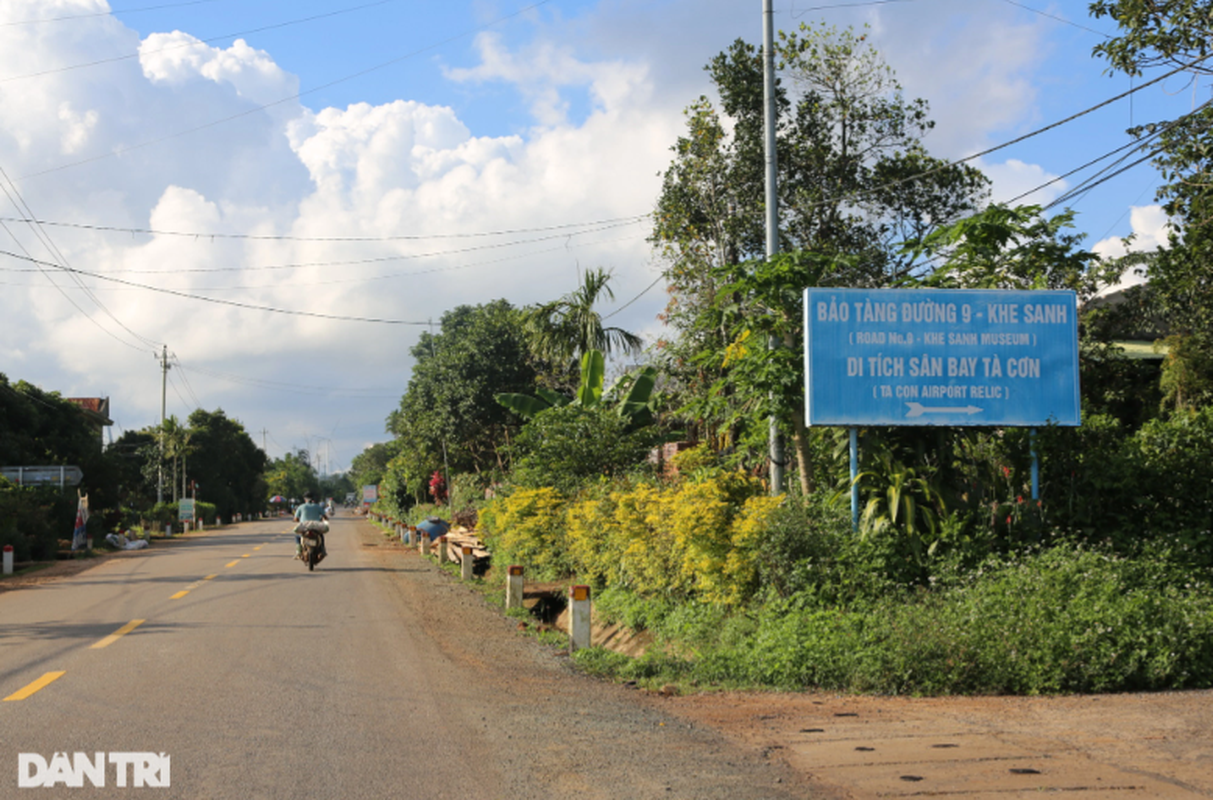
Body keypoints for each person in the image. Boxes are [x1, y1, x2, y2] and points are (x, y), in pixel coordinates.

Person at [293, 491, 329, 560]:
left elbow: (296, 518)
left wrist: (297, 520)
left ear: (304, 499)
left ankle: (298, 552)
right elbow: (325, 517)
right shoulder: (317, 506)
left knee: (298, 537)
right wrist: (324, 519)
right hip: (316, 526)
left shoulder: (301, 506)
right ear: (313, 499)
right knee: (321, 536)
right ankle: (323, 551)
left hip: (304, 526)